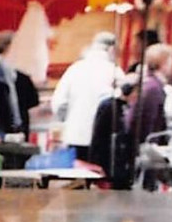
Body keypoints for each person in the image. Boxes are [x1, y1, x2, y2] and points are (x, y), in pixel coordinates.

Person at [51, 32, 122, 160]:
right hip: (103, 139)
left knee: (77, 176)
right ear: (112, 49)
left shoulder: (74, 69)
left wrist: (69, 122)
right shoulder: (114, 71)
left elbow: (59, 102)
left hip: (74, 135)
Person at [128, 43, 172, 147]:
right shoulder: (153, 88)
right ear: (162, 62)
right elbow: (148, 123)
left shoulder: (151, 84)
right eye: (170, 60)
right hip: (146, 148)